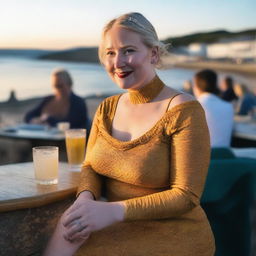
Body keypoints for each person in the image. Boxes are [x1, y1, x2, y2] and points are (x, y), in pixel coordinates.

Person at [43, 12, 215, 256]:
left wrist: (112, 211)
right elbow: (91, 166)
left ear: (153, 54)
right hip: (116, 224)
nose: (118, 62)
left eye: (129, 50)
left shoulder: (184, 110)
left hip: (174, 233)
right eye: (110, 53)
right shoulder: (107, 108)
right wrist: (85, 199)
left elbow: (186, 196)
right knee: (63, 229)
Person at [24, 69, 90, 129]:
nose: (58, 89)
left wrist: (48, 119)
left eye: (60, 86)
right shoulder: (48, 99)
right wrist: (34, 120)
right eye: (55, 86)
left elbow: (73, 123)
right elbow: (28, 116)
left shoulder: (78, 102)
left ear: (69, 84)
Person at [193, 69, 234, 147]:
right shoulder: (228, 106)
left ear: (196, 87)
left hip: (201, 157)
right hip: (223, 155)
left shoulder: (192, 107)